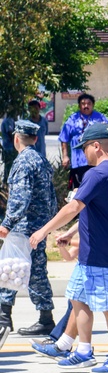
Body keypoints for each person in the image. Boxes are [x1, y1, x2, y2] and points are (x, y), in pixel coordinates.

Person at [29, 123, 108, 373]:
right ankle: (83, 351)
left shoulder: (97, 174)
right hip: (98, 251)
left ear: (96, 146)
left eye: (84, 148)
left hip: (101, 252)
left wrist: (43, 231)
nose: (83, 153)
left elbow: (73, 207)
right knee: (78, 298)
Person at [0, 120, 58, 338]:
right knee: (34, 271)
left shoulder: (23, 162)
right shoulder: (41, 160)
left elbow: (20, 196)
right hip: (39, 227)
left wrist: (7, 223)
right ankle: (44, 318)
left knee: (10, 267)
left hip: (25, 228)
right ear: (35, 139)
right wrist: (49, 223)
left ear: (16, 139)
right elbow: (51, 196)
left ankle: (4, 317)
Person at [58, 93, 108, 189]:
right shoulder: (72, 119)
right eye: (83, 104)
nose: (86, 106)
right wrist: (65, 156)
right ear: (79, 105)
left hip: (96, 162)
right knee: (79, 190)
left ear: (93, 105)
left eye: (89, 103)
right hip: (78, 162)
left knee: (95, 189)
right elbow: (64, 138)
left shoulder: (100, 118)